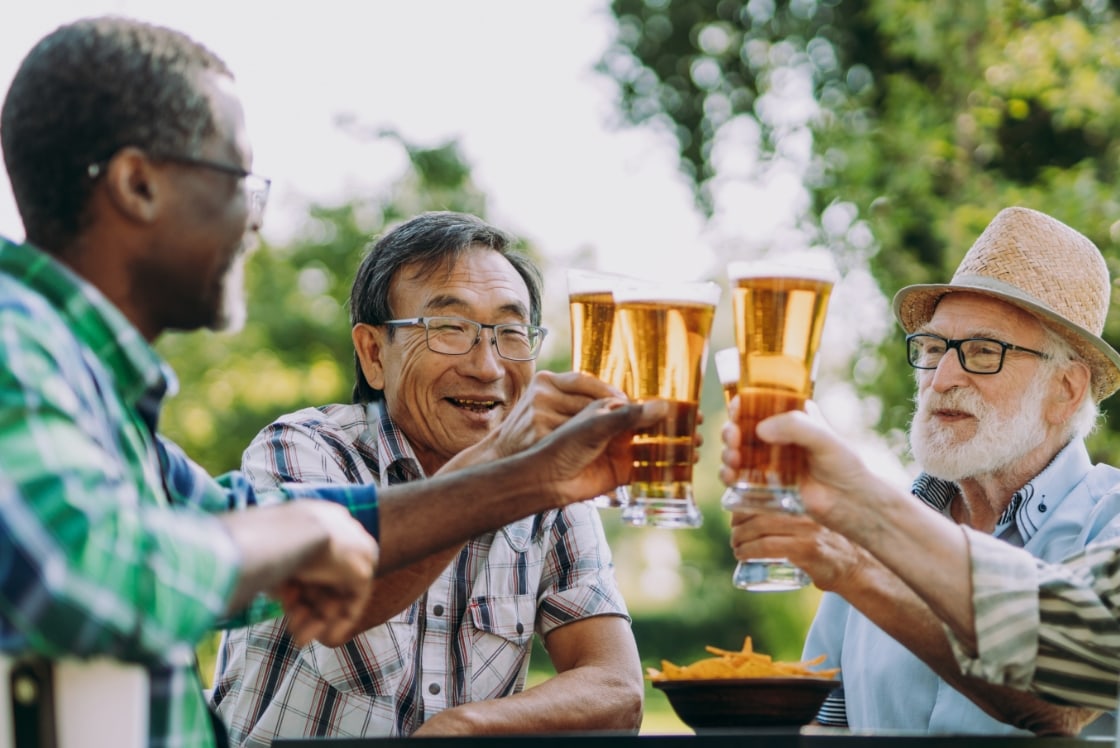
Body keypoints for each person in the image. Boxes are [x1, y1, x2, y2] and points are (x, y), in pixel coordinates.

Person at [0, 17, 665, 748]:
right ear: (138, 185)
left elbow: (222, 523)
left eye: (506, 330)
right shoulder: (14, 342)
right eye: (236, 181)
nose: (253, 221)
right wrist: (300, 531)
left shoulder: (99, 400)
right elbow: (77, 573)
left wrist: (530, 477)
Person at [208, 211, 643, 743]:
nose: (487, 367)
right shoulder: (304, 449)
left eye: (509, 332)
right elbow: (337, 597)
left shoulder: (548, 479)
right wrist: (503, 473)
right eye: (449, 329)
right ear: (374, 355)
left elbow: (616, 689)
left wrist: (464, 727)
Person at [724, 207, 1120, 734]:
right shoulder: (862, 535)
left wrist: (860, 518)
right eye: (934, 348)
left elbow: (1063, 696)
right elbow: (827, 730)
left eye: (983, 352)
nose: (942, 377)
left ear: (1065, 390)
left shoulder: (1109, 519)